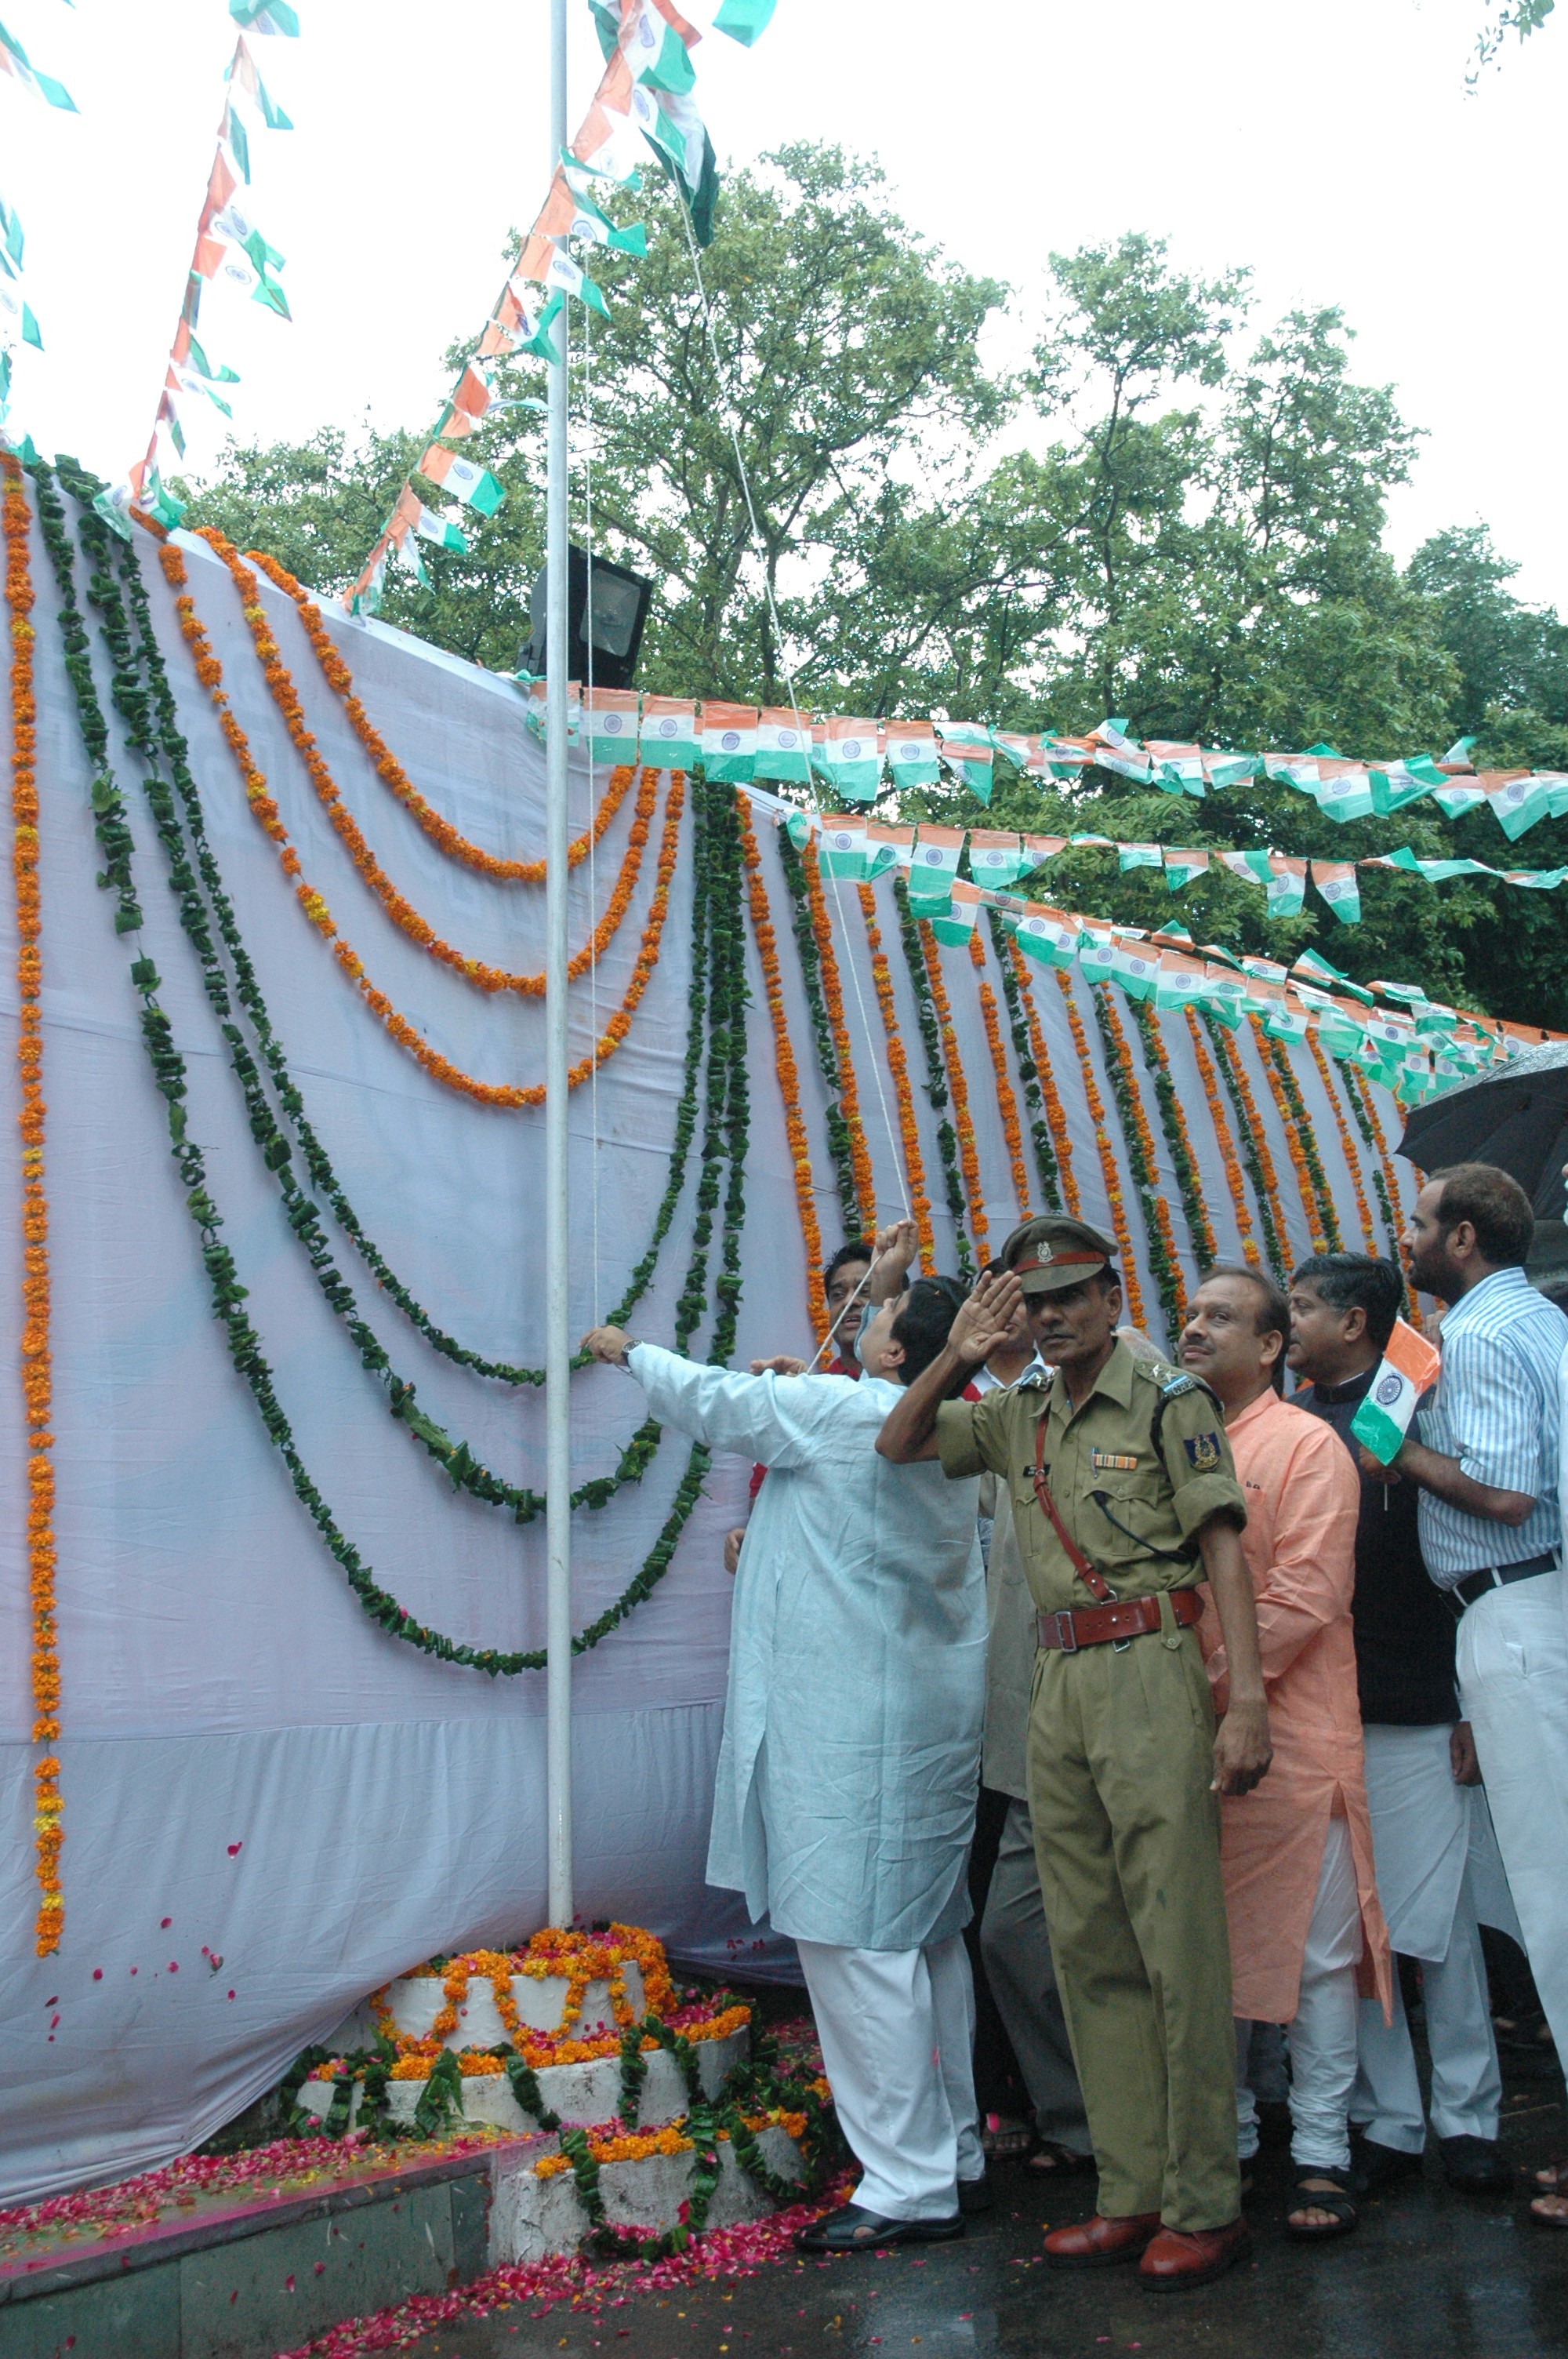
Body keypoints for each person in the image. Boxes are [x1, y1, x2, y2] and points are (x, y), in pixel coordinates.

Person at [877, 1217, 1271, 2292]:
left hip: (1149, 1664)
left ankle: (1204, 2203)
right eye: (1034, 1300)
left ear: (1111, 1297)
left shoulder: (1168, 1402)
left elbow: (1224, 1549)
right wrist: (957, 1350)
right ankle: (1128, 2191)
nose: (1052, 1316)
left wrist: (1246, 1704)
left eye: (1071, 1297)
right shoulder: (1020, 1412)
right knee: (1088, 1942)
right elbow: (900, 1441)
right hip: (1056, 1686)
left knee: (1173, 1939)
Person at [582, 1276, 989, 2252]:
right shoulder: (952, 1426)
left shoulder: (846, 1407)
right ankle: (954, 2150)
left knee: (855, 1949)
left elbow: (712, 1400)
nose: (856, 1331)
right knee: (927, 1940)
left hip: (846, 1723)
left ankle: (905, 2181)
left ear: (897, 1356)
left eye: (873, 1321)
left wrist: (625, 1348)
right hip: (914, 1713)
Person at [1287, 1253, 1515, 2199]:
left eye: (1301, 1307)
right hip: (1324, 1712)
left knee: (1438, 1924)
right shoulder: (1288, 1424)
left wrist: (1465, 1702)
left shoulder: (1416, 1410)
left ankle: (1467, 2117)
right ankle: (1388, 2119)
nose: (1289, 1321)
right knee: (1353, 1930)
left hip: (1418, 1701)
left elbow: (1465, 1553)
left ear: (1354, 1321)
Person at [1179, 1268, 1392, 2244]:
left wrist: (1210, 1686)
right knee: (1203, 1951)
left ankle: (1319, 2152)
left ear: (1268, 1346)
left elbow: (1306, 1592)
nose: (1193, 1327)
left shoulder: (1308, 1441)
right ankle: (1220, 2144)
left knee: (1312, 1961)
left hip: (1291, 1737)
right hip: (1186, 1737)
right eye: (1188, 1312)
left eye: (1219, 1316)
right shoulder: (1176, 1442)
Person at [1381, 1164, 1568, 2225]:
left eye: (1416, 1223)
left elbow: (1507, 1493)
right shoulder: (1530, 1318)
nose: (1404, 1237)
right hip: (1521, 1614)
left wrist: (1409, 1454)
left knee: (1554, 1901)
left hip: (1518, 1606)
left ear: (1459, 1238)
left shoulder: (1486, 1338)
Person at [968, 1287, 1092, 2176]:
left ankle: (1154, 2128)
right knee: (1011, 1933)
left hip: (1107, 1697)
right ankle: (1080, 2116)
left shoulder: (1120, 1392)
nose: (1031, 1312)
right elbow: (902, 1449)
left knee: (1107, 1931)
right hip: (1015, 1713)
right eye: (1012, 1294)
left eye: (1050, 1297)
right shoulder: (995, 1414)